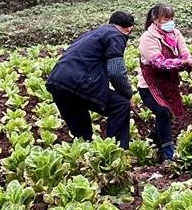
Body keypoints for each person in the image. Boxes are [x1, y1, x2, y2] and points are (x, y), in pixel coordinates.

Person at [46, 11, 136, 148]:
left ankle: (84, 158)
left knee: (82, 135)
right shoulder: (116, 35)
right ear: (130, 28)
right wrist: (128, 95)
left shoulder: (92, 34)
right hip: (81, 82)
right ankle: (115, 151)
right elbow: (116, 72)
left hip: (57, 83)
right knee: (121, 105)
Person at [138, 3, 192, 161]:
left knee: (166, 114)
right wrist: (184, 63)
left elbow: (184, 51)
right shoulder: (147, 38)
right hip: (149, 86)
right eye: (166, 18)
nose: (170, 22)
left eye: (172, 18)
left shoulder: (175, 34)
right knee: (163, 112)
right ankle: (168, 155)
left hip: (168, 83)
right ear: (155, 19)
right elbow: (159, 63)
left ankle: (156, 142)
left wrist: (189, 60)